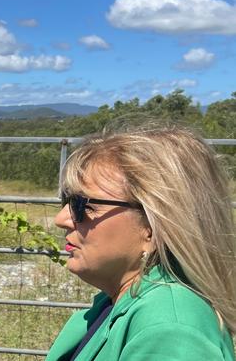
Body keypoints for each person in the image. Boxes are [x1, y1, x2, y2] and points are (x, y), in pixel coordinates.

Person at [46, 124, 236, 360]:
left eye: (82, 205)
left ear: (153, 226)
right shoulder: (119, 304)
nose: (61, 219)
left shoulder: (169, 329)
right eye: (66, 200)